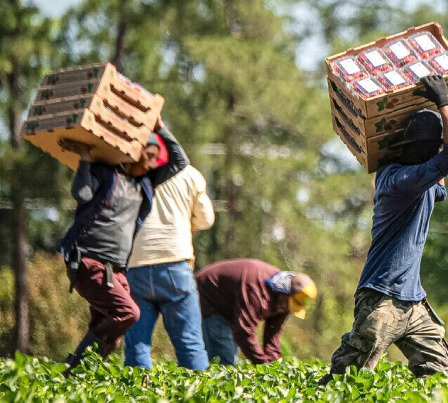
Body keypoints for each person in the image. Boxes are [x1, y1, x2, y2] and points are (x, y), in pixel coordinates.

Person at [319, 75, 448, 385]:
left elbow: (443, 173)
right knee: (348, 379)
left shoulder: (419, 180)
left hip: (412, 301)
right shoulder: (400, 181)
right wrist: (444, 101)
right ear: (428, 149)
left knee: (439, 375)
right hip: (382, 299)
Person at [58, 117, 189, 375]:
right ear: (132, 153)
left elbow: (180, 161)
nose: (152, 163)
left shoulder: (145, 184)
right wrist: (85, 158)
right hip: (88, 262)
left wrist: (160, 126)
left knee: (111, 333)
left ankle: (75, 380)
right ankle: (73, 373)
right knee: (127, 313)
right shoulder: (105, 173)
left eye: (155, 158)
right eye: (148, 156)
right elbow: (82, 195)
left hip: (116, 270)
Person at [123, 136, 215, 370]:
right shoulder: (189, 174)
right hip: (175, 265)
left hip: (136, 266)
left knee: (137, 347)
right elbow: (206, 219)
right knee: (190, 345)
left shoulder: (130, 172)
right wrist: (183, 222)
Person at [194, 258, 317, 365]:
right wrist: (262, 364)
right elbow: (243, 330)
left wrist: (273, 366)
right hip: (207, 295)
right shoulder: (257, 290)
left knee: (228, 355)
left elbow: (272, 336)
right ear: (284, 292)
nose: (287, 309)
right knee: (224, 359)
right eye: (289, 304)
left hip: (229, 309)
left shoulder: (283, 302)